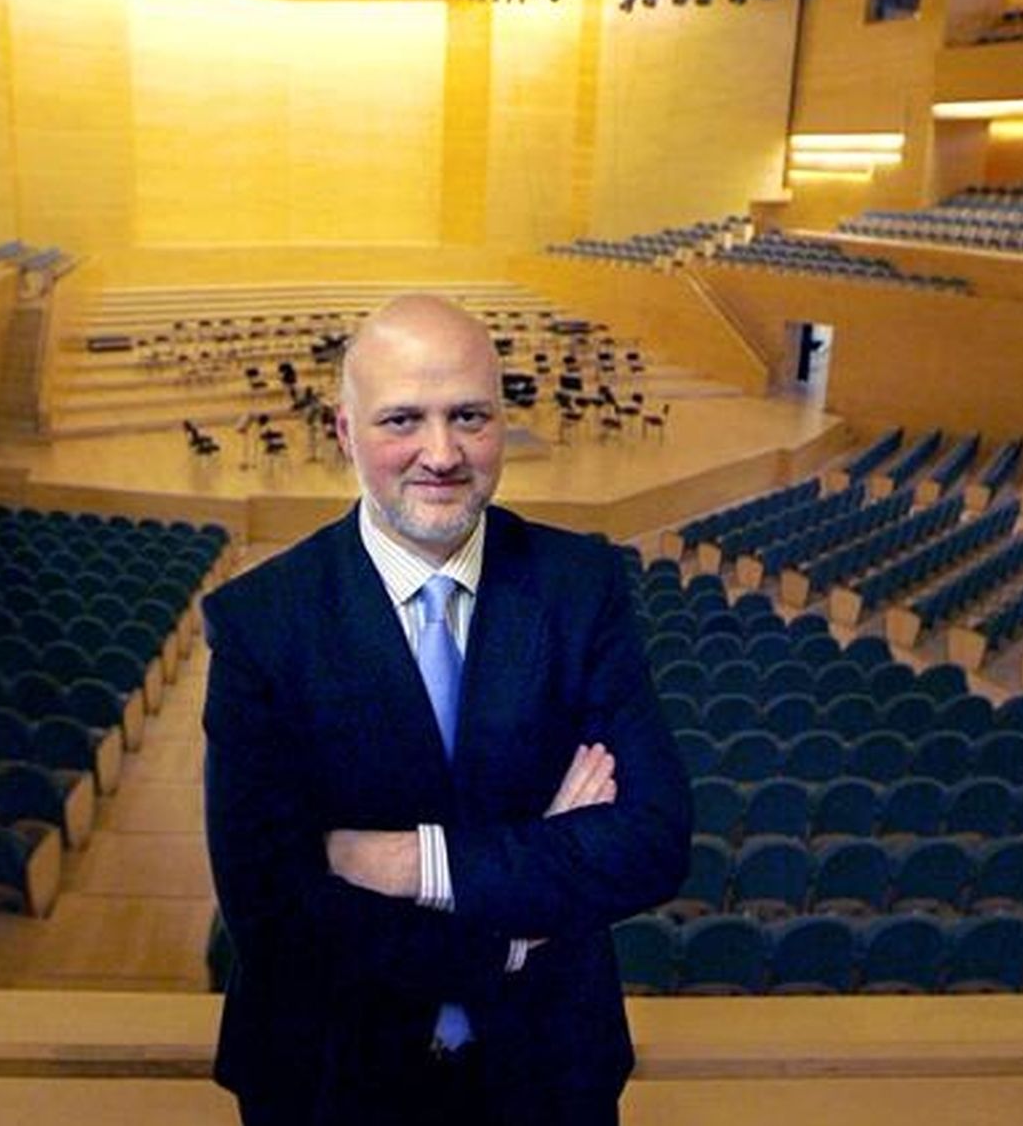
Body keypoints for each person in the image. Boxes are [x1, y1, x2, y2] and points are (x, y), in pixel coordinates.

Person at [202, 293, 692, 1126]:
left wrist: (411, 864)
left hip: (547, 1073)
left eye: (469, 415)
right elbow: (274, 910)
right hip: (332, 1080)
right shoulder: (260, 623)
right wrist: (511, 929)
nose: (442, 453)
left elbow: (652, 839)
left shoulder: (580, 587)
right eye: (403, 420)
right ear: (345, 431)